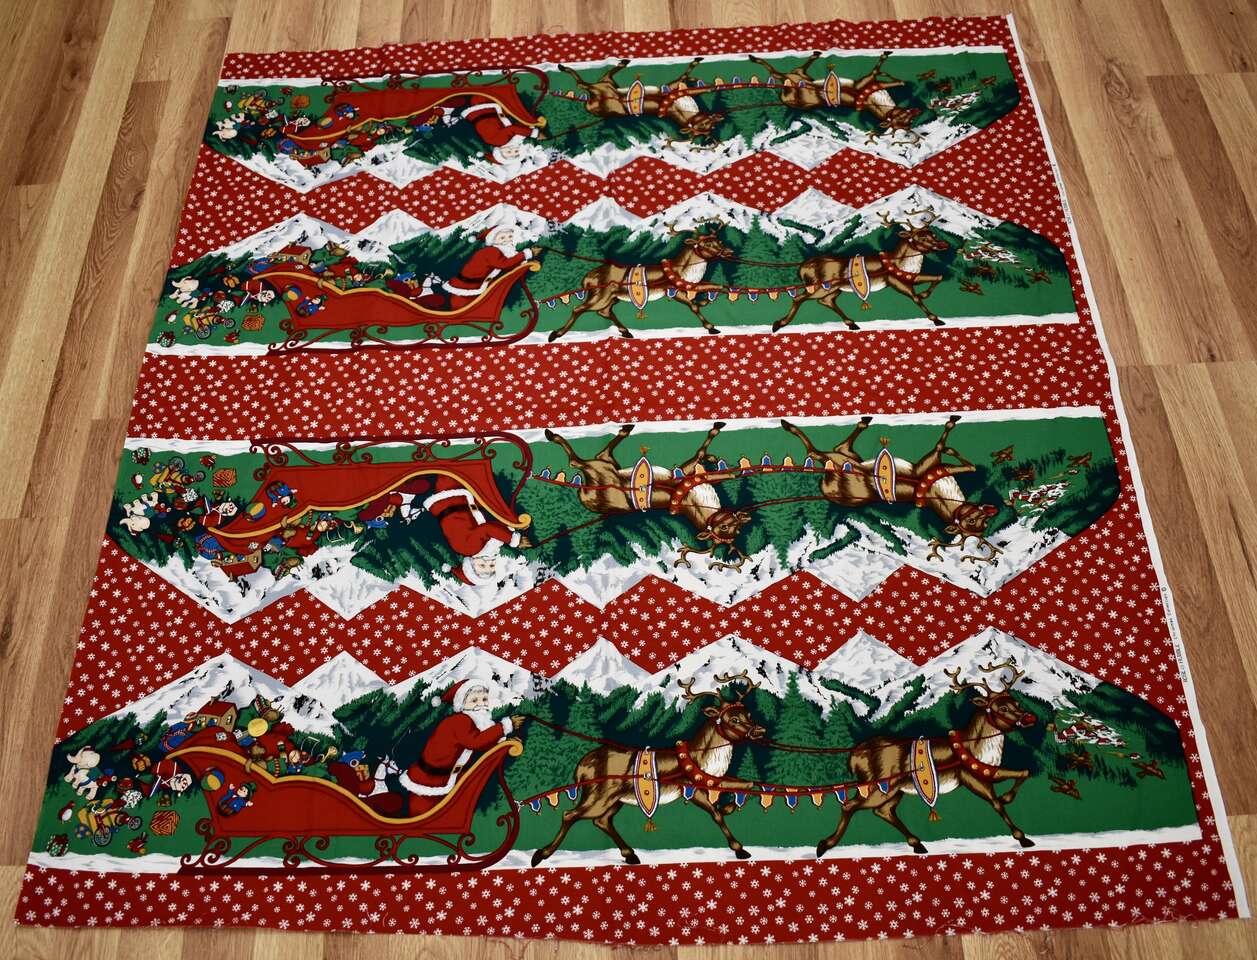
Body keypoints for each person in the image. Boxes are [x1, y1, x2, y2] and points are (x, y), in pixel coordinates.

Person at [366, 679, 527, 817]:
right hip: (431, 778)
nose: (481, 704)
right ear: (462, 704)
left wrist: (503, 742)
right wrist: (505, 726)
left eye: (484, 699)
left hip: (448, 776)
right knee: (424, 809)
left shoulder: (472, 721)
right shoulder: (459, 721)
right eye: (474, 700)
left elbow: (482, 740)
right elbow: (476, 742)